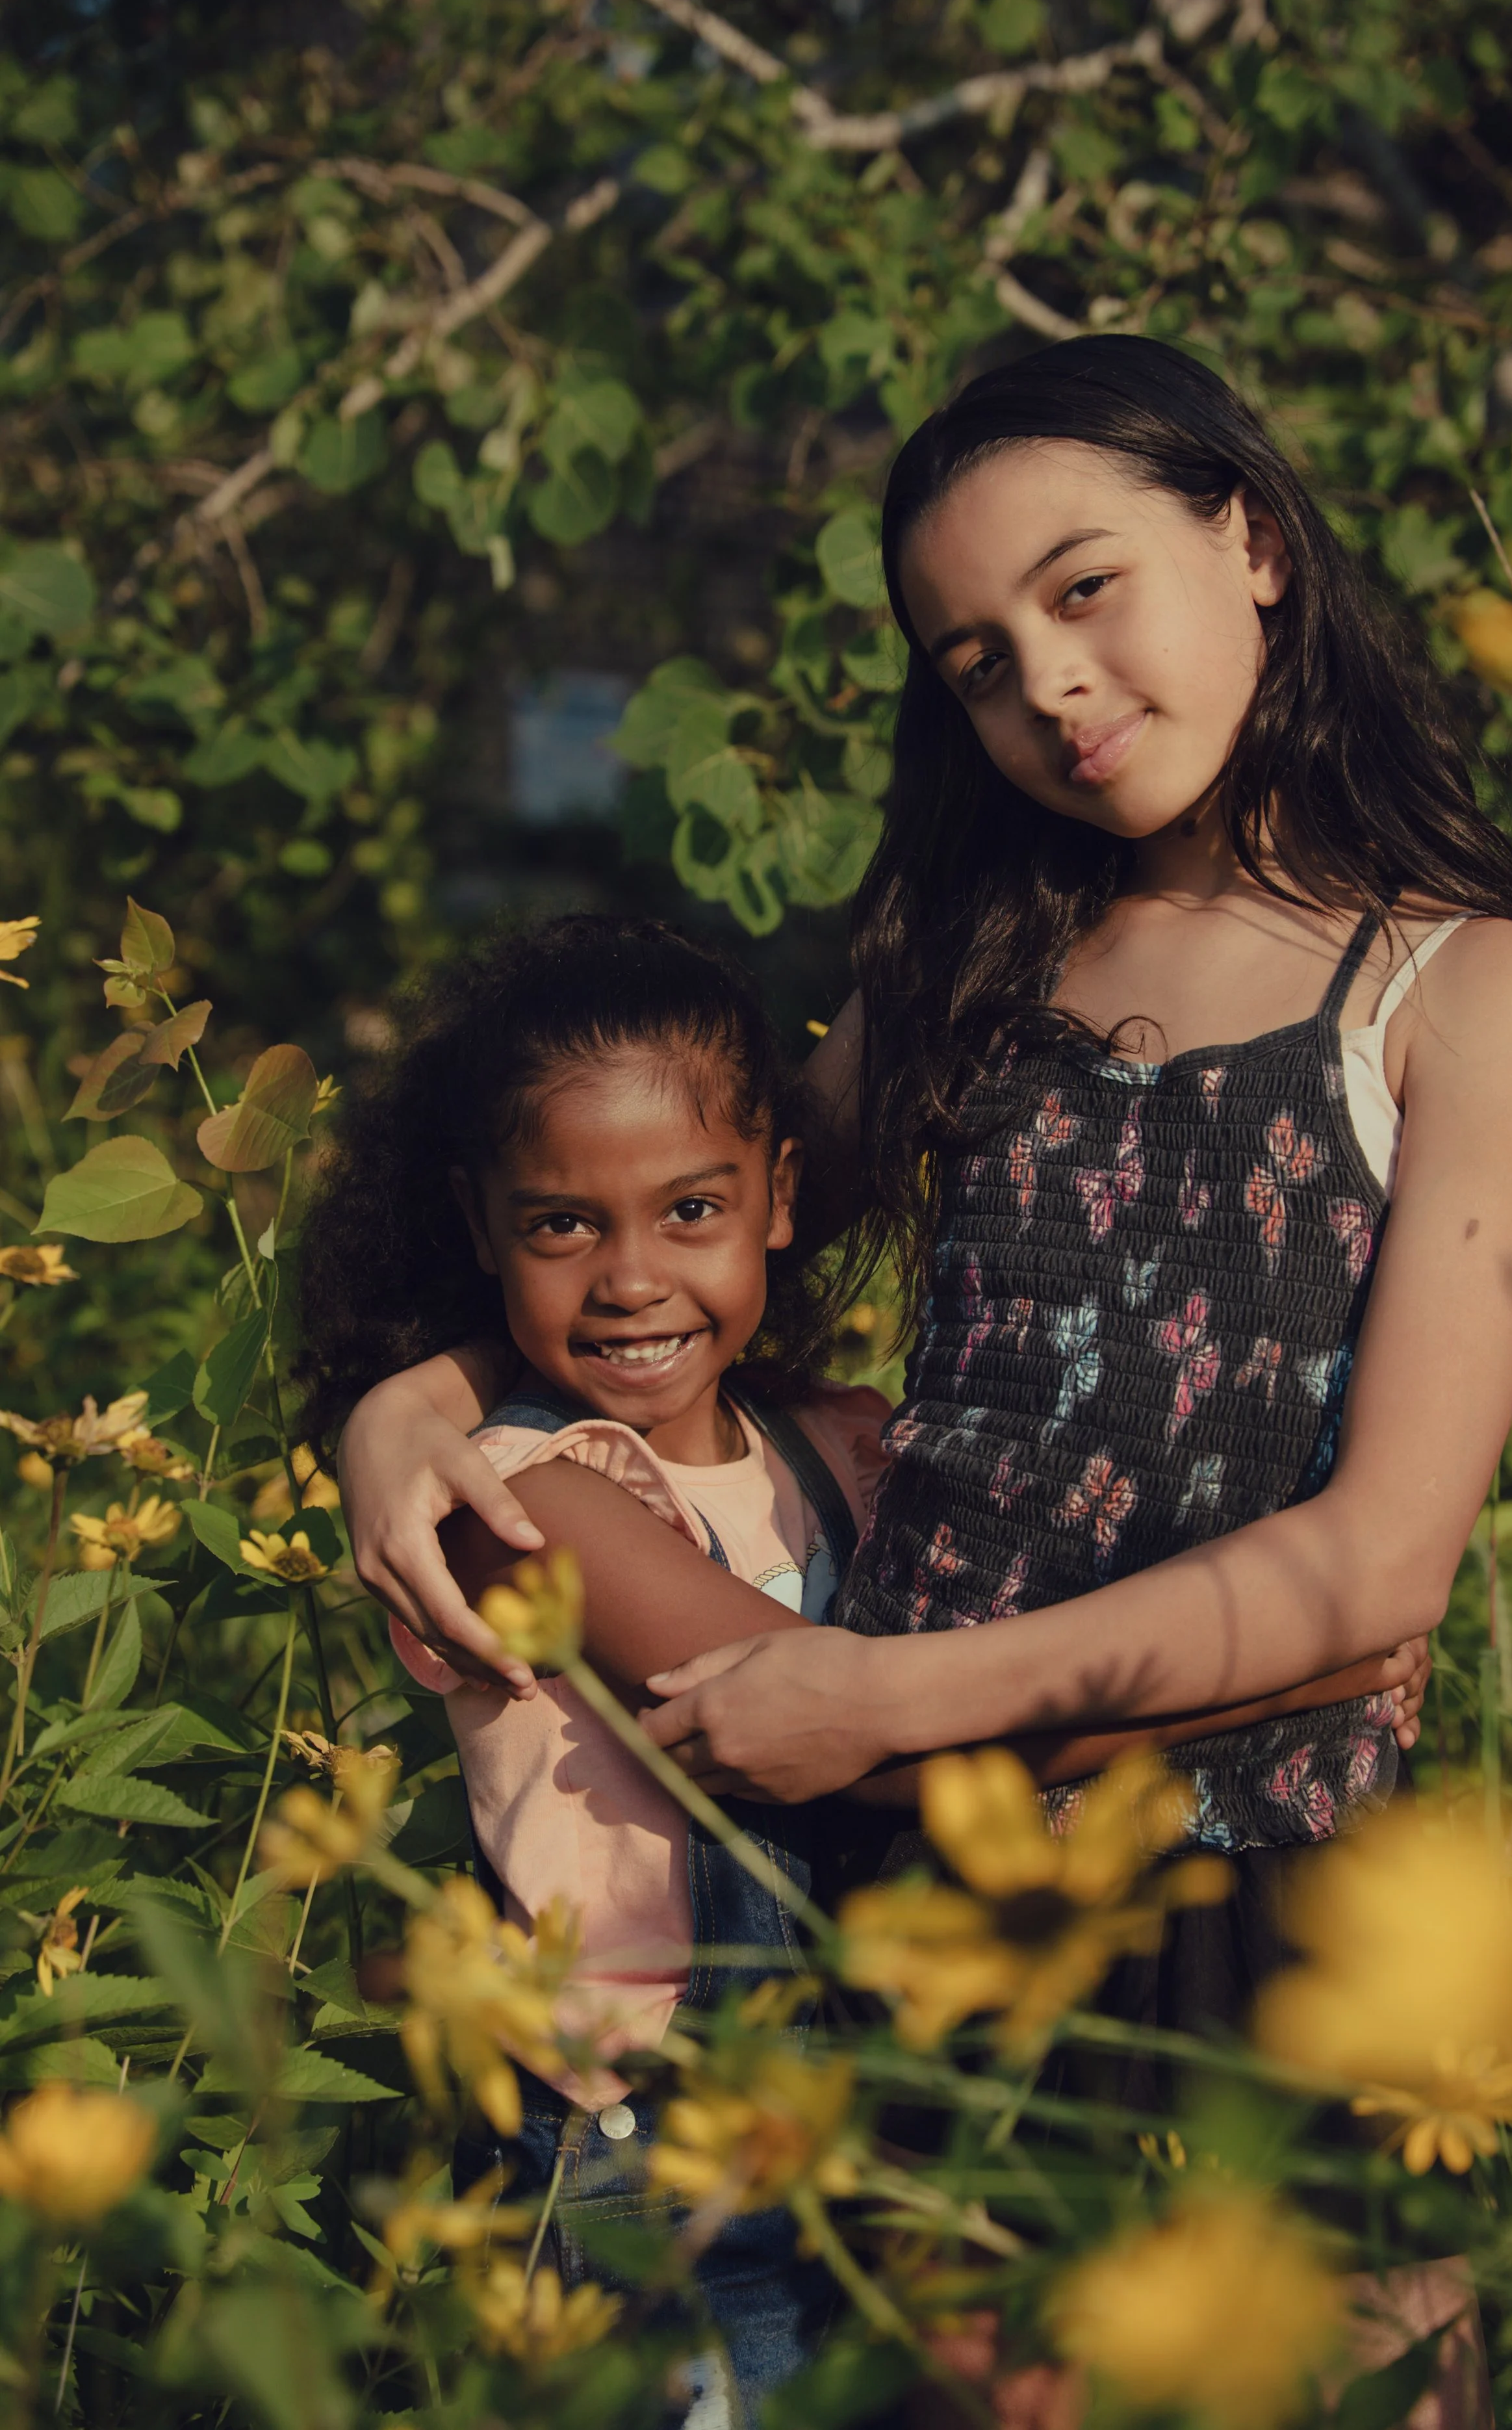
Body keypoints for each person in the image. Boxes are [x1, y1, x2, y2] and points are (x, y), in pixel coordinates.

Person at [309, 905, 1427, 2423]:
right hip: (660, 2167)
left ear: (780, 1196)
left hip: (850, 2114)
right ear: (480, 1223)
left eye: (689, 1209)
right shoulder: (535, 1499)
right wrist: (1300, 1673)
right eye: (564, 1222)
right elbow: (886, 1750)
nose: (631, 1276)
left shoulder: (831, 1442)